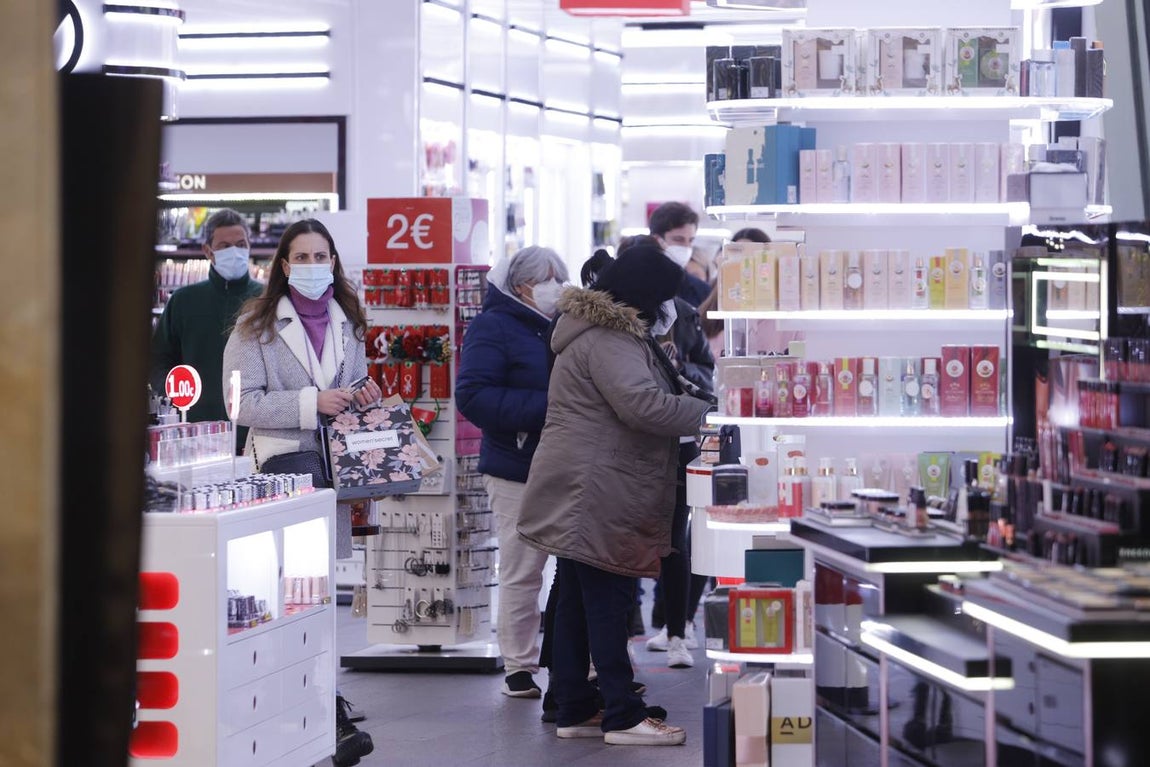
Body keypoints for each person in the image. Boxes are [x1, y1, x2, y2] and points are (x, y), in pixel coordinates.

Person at [517, 243, 712, 746]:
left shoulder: (600, 330)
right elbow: (642, 405)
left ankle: (575, 706)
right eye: (663, 297)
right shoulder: (609, 337)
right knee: (607, 597)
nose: (668, 308)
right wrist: (709, 414)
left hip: (585, 481)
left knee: (578, 599)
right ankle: (623, 714)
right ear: (644, 295)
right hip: (598, 485)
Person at [222, 218, 377, 767]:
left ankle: (317, 708)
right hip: (283, 475)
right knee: (287, 596)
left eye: (321, 256)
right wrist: (313, 403)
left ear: (333, 262)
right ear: (285, 266)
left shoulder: (348, 323)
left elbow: (351, 387)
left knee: (317, 597)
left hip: (332, 475)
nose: (313, 266)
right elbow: (240, 404)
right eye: (303, 257)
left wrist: (361, 395)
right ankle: (310, 709)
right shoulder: (255, 327)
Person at [455, 245, 570, 699]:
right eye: (546, 279)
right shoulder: (493, 326)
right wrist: (550, 408)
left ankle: (573, 662)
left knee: (574, 571)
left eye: (559, 277)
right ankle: (519, 666)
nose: (554, 287)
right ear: (522, 285)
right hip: (516, 465)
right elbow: (473, 396)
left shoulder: (565, 324)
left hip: (568, 463)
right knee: (523, 570)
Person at [150, 208, 263, 449]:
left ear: (249, 245)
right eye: (224, 246)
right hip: (195, 433)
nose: (234, 252)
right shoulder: (183, 301)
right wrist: (174, 396)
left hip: (255, 434)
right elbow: (158, 359)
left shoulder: (266, 300)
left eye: (240, 244)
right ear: (208, 251)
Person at [648, 202, 710, 308]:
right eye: (678, 239)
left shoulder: (701, 290)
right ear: (657, 240)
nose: (686, 247)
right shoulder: (639, 284)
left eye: (690, 240)